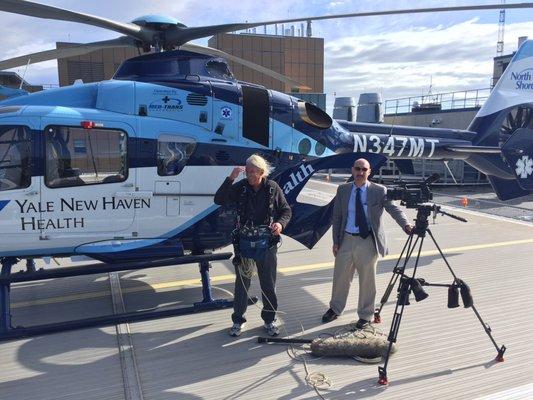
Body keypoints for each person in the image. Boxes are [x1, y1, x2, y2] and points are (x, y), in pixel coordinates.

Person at [322, 158, 413, 329]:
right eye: (357, 169)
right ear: (352, 170)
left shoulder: (379, 191)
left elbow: (393, 209)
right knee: (340, 277)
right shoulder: (343, 190)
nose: (360, 172)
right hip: (347, 239)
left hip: (368, 241)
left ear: (369, 172)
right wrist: (336, 241)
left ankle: (365, 315)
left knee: (367, 281)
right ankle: (335, 308)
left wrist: (406, 225)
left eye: (364, 169)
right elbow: (338, 217)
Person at [214, 154, 292, 337]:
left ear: (262, 172)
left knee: (268, 284)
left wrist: (280, 224)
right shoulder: (240, 188)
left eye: (253, 172)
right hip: (245, 243)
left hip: (267, 244)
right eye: (247, 171)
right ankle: (237, 320)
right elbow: (219, 199)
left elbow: (286, 210)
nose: (249, 175)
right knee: (242, 284)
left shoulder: (273, 188)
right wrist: (231, 178)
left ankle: (270, 319)